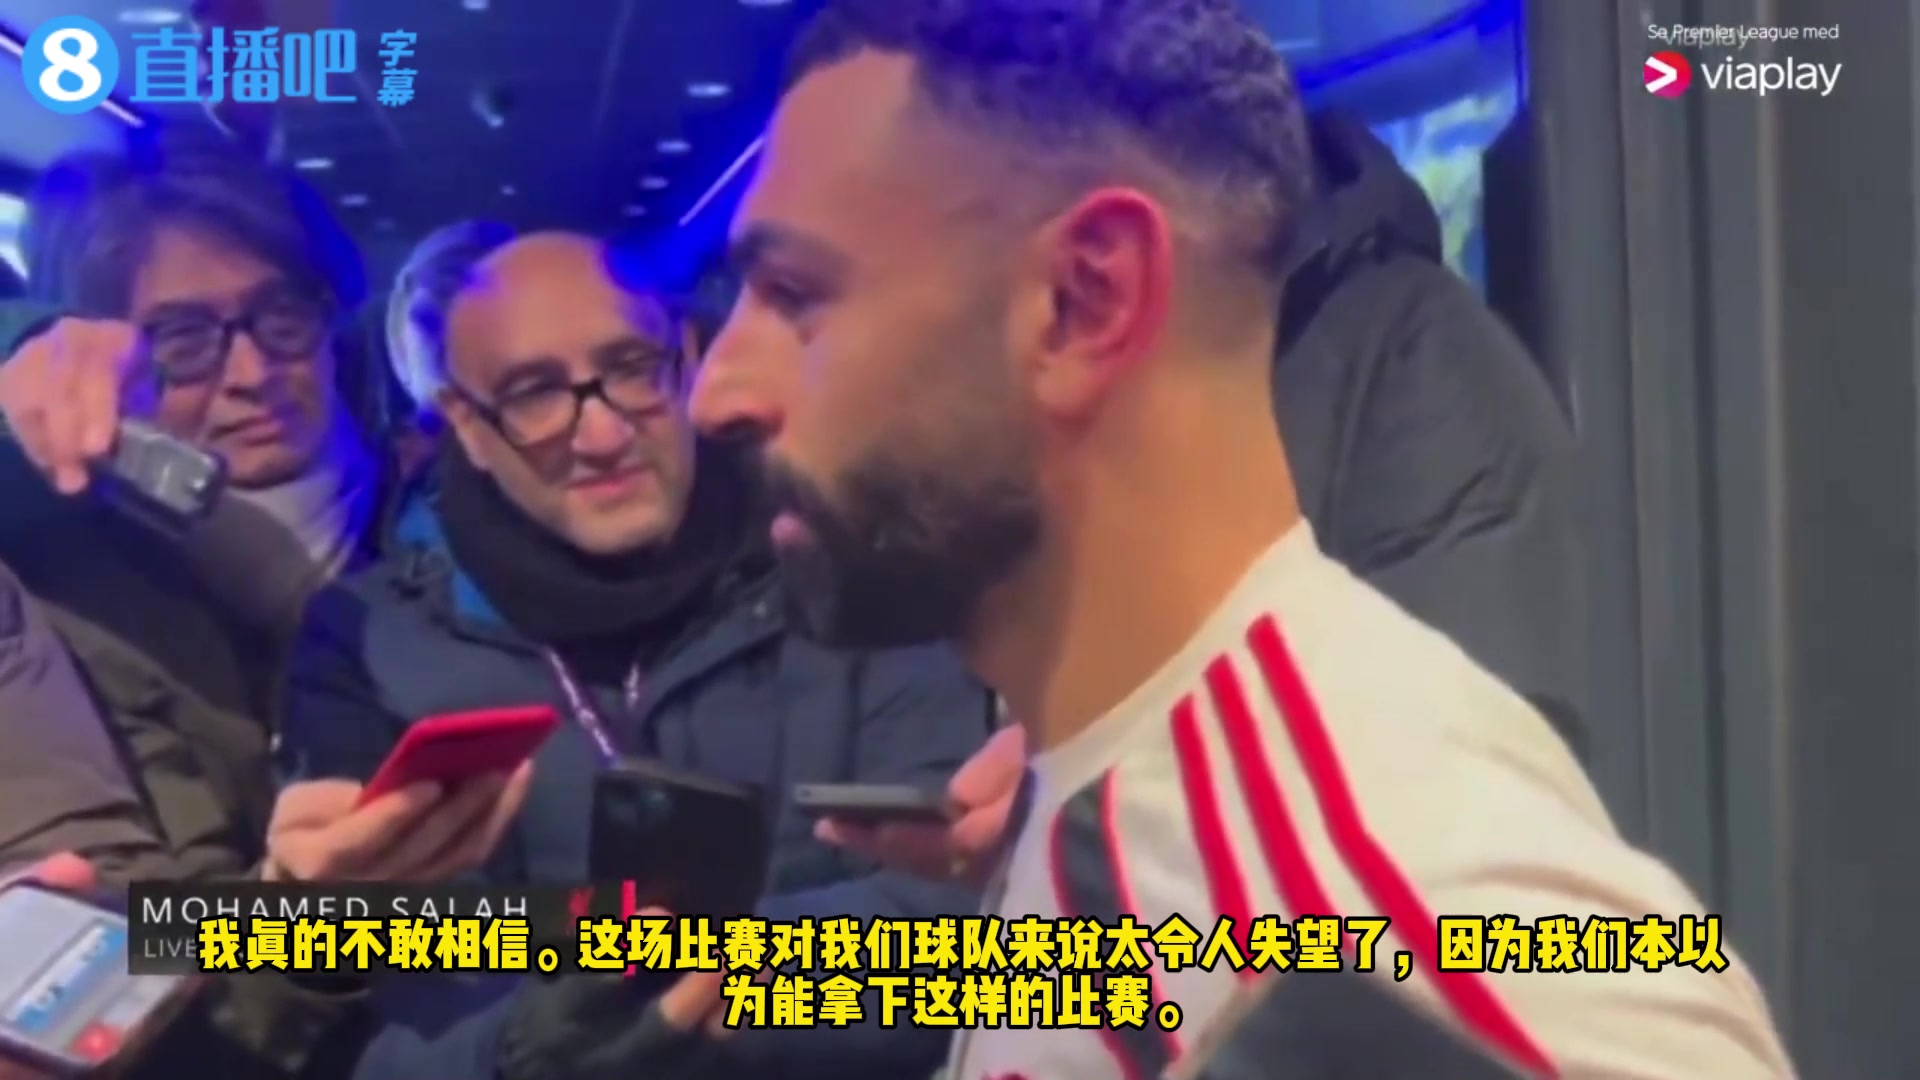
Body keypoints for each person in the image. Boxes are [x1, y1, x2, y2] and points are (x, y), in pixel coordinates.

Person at [687, 1, 1796, 1077]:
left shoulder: (1383, 889)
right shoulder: (1105, 785)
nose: (715, 395)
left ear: (1083, 301)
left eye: (794, 294)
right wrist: (738, 986)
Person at [273, 231, 992, 1079]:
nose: (604, 433)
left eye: (631, 368)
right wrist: (529, 1051)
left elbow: (967, 932)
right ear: (466, 423)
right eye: (535, 394)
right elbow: (378, 1036)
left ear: (684, 356)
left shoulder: (851, 562)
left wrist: (668, 1005)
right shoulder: (365, 641)